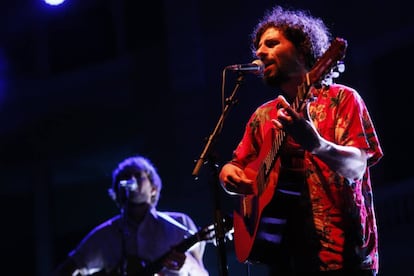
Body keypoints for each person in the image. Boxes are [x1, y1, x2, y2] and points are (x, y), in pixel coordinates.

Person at [218, 5, 383, 276]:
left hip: (342, 257)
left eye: (271, 44)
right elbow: (237, 164)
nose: (260, 52)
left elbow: (357, 167)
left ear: (302, 50)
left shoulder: (343, 99)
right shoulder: (262, 116)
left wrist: (317, 144)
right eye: (258, 47)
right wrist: (228, 175)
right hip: (285, 259)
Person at [53, 155, 209, 276]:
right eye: (125, 177)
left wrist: (186, 264)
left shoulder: (179, 223)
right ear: (117, 191)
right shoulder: (106, 234)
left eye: (138, 176)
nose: (131, 180)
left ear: (153, 188)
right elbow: (66, 269)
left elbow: (202, 273)